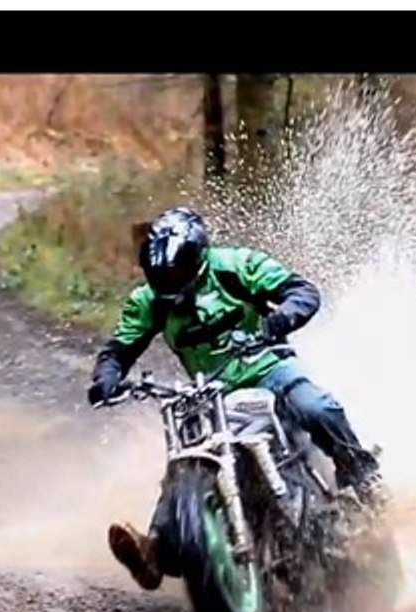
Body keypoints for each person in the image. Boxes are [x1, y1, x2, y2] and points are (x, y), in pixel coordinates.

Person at [86, 206, 385, 591]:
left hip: (267, 369)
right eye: (159, 274)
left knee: (316, 406)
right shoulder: (148, 300)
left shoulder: (235, 266)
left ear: (198, 257)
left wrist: (278, 320)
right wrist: (106, 378)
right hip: (206, 393)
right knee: (185, 466)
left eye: (175, 271)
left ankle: (363, 478)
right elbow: (118, 349)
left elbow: (302, 291)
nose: (168, 281)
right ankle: (156, 550)